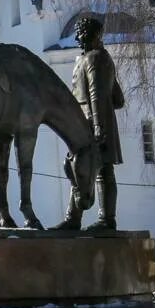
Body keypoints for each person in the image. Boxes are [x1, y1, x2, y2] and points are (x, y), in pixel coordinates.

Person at [57, 15, 126, 231]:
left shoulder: (93, 59)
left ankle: (104, 220)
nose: (79, 38)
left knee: (101, 170)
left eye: (83, 34)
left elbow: (96, 95)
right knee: (82, 169)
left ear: (96, 35)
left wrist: (97, 126)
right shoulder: (100, 58)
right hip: (91, 120)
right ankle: (74, 219)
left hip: (92, 122)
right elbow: (119, 99)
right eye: (79, 34)